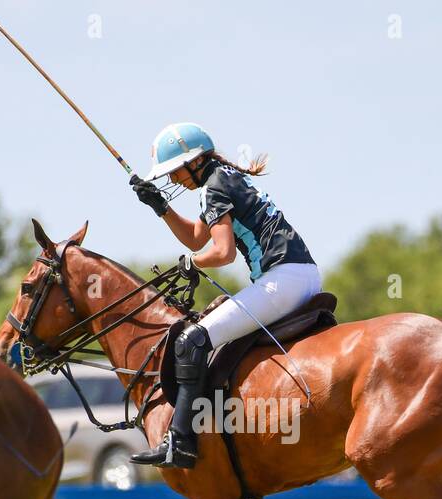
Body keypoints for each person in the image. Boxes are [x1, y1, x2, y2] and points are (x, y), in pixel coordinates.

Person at [128, 122, 319, 468]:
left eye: (174, 171)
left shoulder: (212, 186)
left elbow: (221, 252)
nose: (171, 180)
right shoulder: (224, 176)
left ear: (195, 161)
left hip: (281, 281)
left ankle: (180, 440)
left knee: (191, 340)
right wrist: (160, 208)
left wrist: (191, 263)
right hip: (304, 275)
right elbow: (197, 238)